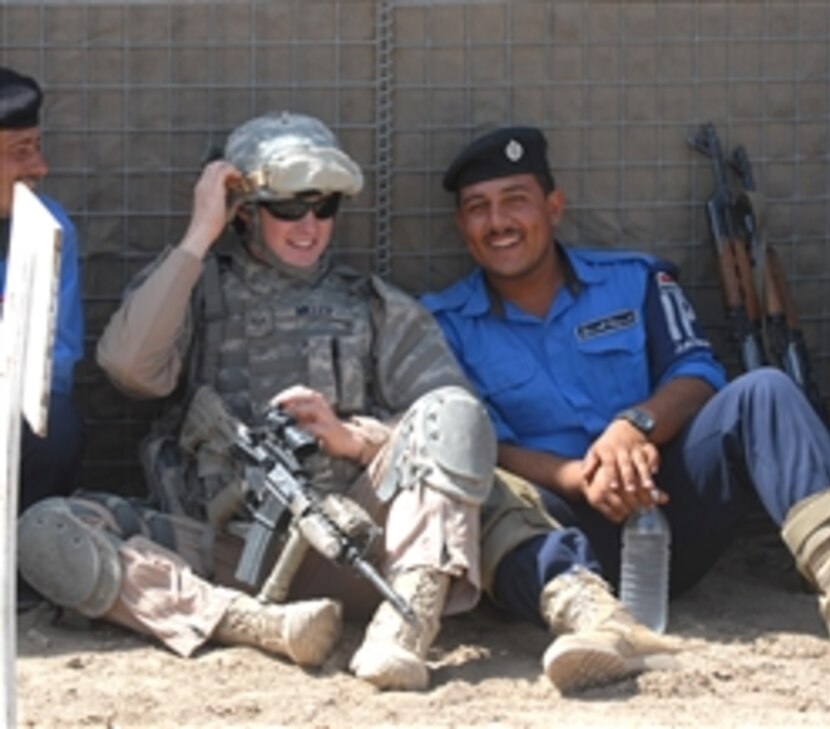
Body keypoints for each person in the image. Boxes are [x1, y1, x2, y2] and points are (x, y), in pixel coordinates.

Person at [17, 111, 673, 694]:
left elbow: (458, 427)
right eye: (288, 207)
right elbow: (129, 367)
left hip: (360, 541)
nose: (309, 225)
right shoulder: (195, 290)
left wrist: (353, 437)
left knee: (469, 450)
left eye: (324, 206)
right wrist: (198, 234)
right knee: (46, 528)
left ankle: (428, 624)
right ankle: (259, 628)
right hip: (220, 553)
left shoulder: (375, 306)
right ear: (245, 210)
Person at [423, 125, 830, 661]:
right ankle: (589, 621)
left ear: (554, 206)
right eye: (478, 208)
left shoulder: (636, 280)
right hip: (551, 526)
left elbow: (697, 372)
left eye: (515, 200)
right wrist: (577, 477)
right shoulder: (441, 324)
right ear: (461, 226)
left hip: (661, 512)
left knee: (764, 390)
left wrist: (632, 428)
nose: (498, 222)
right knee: (475, 484)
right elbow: (479, 442)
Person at [1, 67, 86, 610]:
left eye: (38, 147)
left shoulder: (48, 228)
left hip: (8, 406)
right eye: (20, 151)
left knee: (55, 426)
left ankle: (25, 570)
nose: (40, 167)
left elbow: (58, 355)